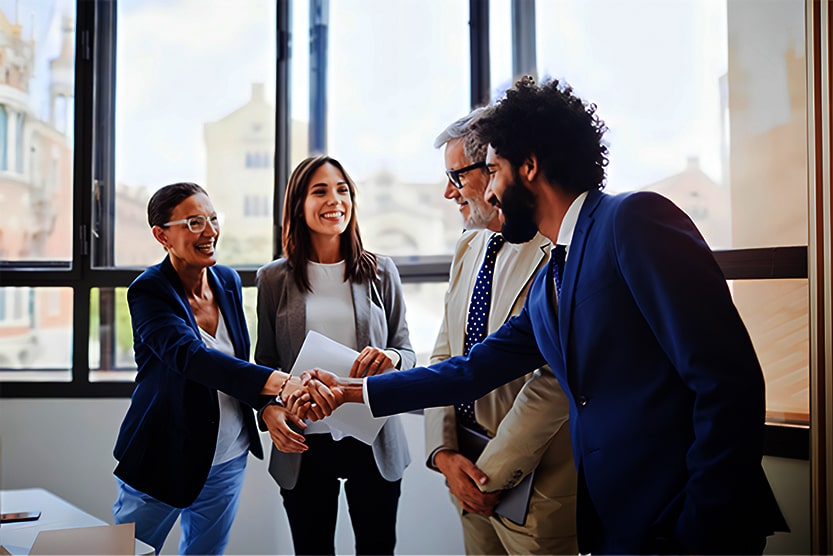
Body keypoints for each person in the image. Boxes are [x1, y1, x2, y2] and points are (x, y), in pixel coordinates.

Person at [304, 76, 783, 555]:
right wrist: (351, 391)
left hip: (685, 523)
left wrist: (700, 524)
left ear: (529, 167)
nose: (490, 193)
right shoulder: (556, 272)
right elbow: (471, 371)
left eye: (494, 171)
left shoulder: (633, 220)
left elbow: (727, 382)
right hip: (621, 525)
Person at [112, 182, 337, 555]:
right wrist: (282, 383)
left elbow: (236, 366)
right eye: (194, 222)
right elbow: (190, 358)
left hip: (227, 457)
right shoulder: (149, 291)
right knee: (129, 552)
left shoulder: (227, 281)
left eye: (213, 219)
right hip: (163, 456)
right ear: (162, 236)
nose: (210, 231)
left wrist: (266, 405)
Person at [426, 107, 577, 554]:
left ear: (496, 167)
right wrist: (443, 453)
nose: (448, 192)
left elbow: (554, 381)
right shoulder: (469, 244)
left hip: (535, 487)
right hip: (463, 470)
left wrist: (488, 474)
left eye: (456, 177)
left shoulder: (556, 249)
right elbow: (445, 354)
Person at [255, 155, 415, 556]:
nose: (335, 200)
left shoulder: (381, 271)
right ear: (299, 205)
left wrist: (392, 358)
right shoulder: (273, 279)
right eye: (320, 191)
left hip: (372, 437)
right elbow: (264, 365)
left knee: (378, 550)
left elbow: (407, 351)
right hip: (305, 441)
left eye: (342, 190)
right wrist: (269, 410)